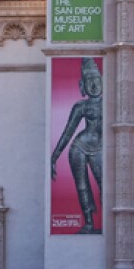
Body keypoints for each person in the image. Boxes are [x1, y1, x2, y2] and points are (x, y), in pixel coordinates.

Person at [50, 56, 103, 234]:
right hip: (79, 147)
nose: (94, 85)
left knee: (104, 184)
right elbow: (68, 132)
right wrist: (55, 156)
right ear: (83, 85)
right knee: (81, 186)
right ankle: (88, 222)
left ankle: (108, 222)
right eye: (90, 81)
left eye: (97, 80)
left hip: (100, 147)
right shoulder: (81, 107)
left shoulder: (110, 103)